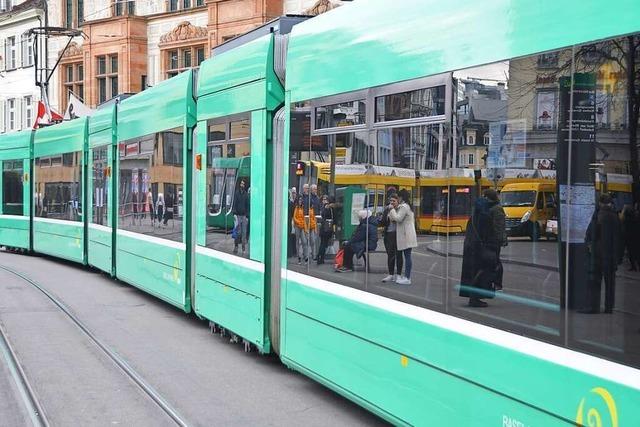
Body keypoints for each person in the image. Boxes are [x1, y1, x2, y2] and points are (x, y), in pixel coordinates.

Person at [459, 189, 507, 307]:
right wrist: (500, 241)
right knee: (486, 270)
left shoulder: (477, 212)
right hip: (485, 246)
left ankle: (475, 296)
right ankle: (481, 294)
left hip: (472, 246)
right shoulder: (492, 211)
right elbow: (497, 229)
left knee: (475, 271)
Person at [585, 194, 623, 314]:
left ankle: (594, 306)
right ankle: (609, 307)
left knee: (595, 281)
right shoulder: (615, 217)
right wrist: (618, 257)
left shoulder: (598, 215)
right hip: (610, 256)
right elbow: (620, 239)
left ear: (600, 203)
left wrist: (590, 244)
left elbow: (591, 232)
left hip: (598, 254)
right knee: (610, 283)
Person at [388, 190, 417, 285]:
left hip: (406, 234)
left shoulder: (404, 207)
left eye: (399, 197)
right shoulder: (407, 206)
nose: (398, 198)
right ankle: (406, 276)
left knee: (407, 256)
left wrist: (392, 209)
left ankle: (407, 277)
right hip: (407, 233)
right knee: (407, 255)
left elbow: (398, 218)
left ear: (401, 197)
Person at [379, 190, 402, 282]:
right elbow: (383, 222)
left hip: (398, 234)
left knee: (399, 255)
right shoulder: (387, 209)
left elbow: (399, 220)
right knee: (390, 255)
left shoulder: (400, 210)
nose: (392, 202)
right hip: (388, 234)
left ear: (398, 201)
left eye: (394, 201)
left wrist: (392, 211)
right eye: (391, 201)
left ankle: (399, 275)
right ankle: (391, 274)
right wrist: (386, 212)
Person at [293, 195, 316, 264]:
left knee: (304, 242)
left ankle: (306, 257)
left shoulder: (304, 208)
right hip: (297, 226)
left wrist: (304, 226)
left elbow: (305, 217)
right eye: (299, 200)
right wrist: (298, 222)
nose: (300, 201)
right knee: (297, 241)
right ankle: (298, 257)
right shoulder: (296, 208)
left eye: (301, 200)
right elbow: (294, 217)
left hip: (303, 226)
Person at [233, 179, 250, 255]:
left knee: (244, 233)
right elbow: (234, 204)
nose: (242, 185)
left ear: (244, 185)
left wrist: (247, 216)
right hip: (238, 216)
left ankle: (243, 248)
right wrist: (234, 214)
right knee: (238, 232)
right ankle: (236, 246)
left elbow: (247, 206)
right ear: (239, 185)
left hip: (244, 216)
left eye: (243, 184)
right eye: (241, 184)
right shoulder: (236, 193)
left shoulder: (246, 194)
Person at [621, 204, 640, 271]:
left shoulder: (626, 220)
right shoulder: (636, 218)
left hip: (629, 238)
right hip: (636, 237)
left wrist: (623, 209)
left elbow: (621, 218)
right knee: (637, 252)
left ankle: (633, 266)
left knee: (631, 253)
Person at [316, 195, 334, 265]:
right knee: (324, 244)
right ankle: (320, 257)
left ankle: (320, 257)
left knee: (322, 243)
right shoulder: (328, 207)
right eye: (323, 199)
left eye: (325, 199)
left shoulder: (323, 207)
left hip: (323, 228)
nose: (324, 200)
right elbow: (331, 217)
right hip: (327, 228)